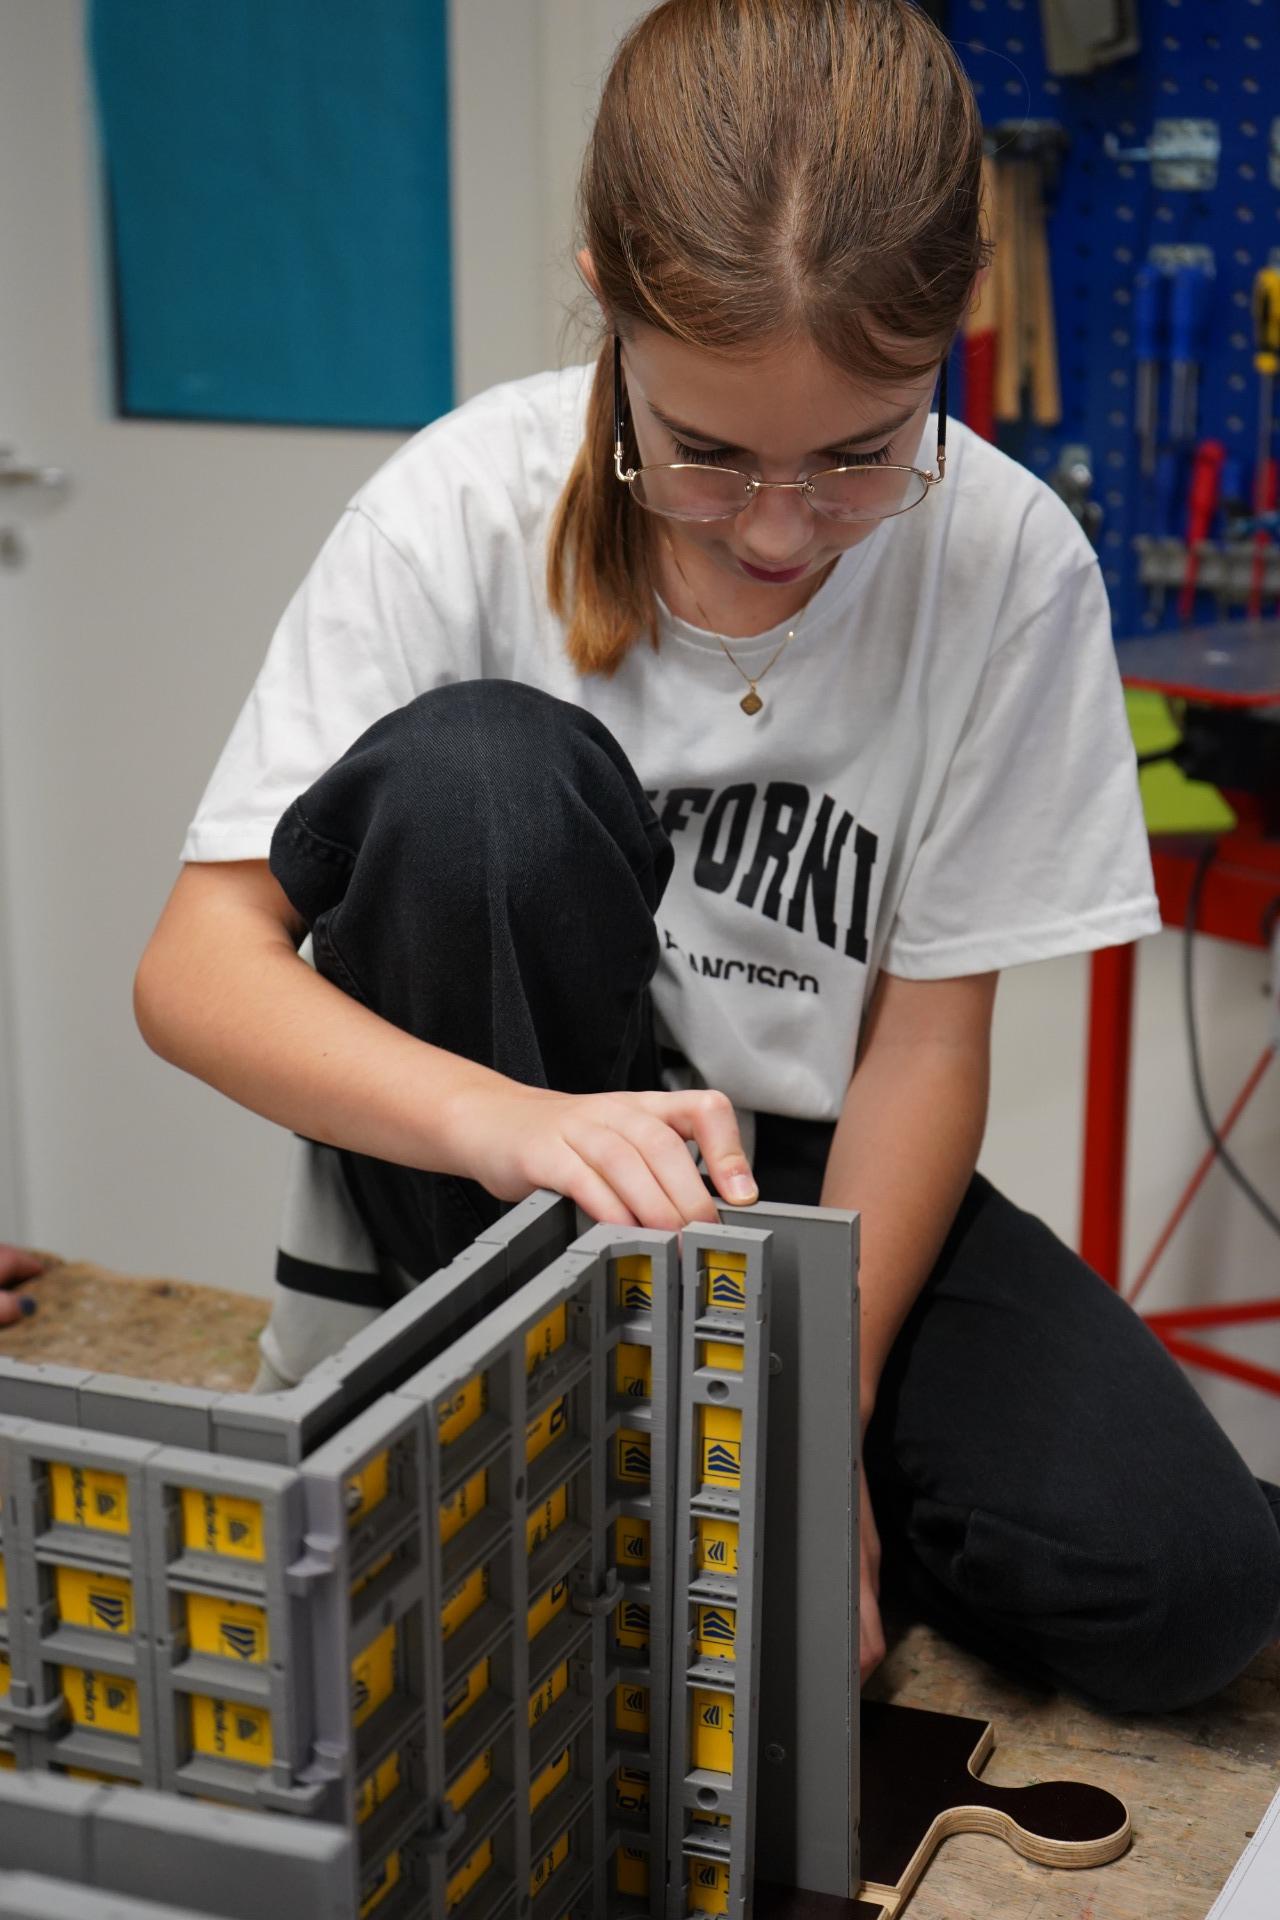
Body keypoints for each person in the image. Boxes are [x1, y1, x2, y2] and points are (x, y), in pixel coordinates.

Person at [134, 0, 1280, 1713]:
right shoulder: (457, 509)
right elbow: (193, 973)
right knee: (481, 771)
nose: (777, 528)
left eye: (860, 456)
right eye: (710, 456)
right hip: (485, 1162)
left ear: (962, 316)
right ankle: (554, 1430)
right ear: (607, 297)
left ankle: (725, 1455)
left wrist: (816, 1412)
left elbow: (926, 1047)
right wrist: (514, 1123)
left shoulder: (1011, 562)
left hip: (798, 1179)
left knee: (1190, 1590)